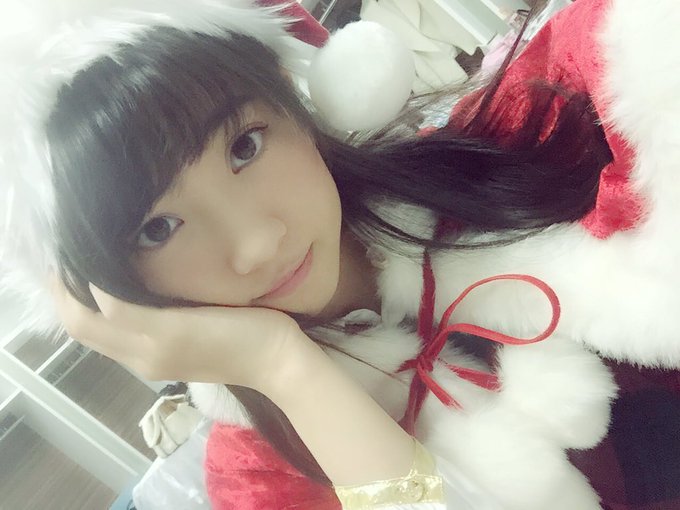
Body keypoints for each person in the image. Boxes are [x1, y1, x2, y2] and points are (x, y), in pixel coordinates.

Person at [1, 0, 678, 508]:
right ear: (109, 292)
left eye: (245, 147)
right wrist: (284, 368)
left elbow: (631, 37)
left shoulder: (466, 168)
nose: (255, 243)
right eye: (157, 229)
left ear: (295, 106)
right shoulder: (255, 472)